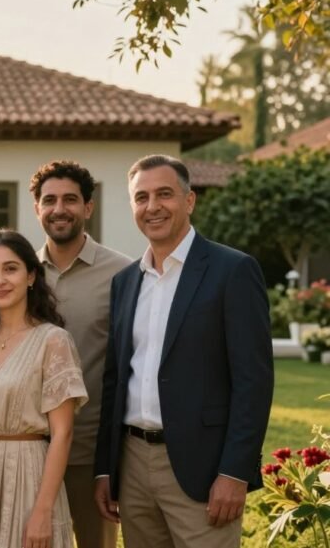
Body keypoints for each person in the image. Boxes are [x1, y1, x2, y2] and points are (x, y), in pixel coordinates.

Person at [94, 155, 274, 548]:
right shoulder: (125, 282)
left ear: (189, 200)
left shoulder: (233, 271)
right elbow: (116, 380)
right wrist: (106, 469)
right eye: (141, 197)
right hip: (133, 465)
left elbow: (253, 381)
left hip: (204, 470)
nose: (152, 206)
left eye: (164, 194)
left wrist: (235, 471)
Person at [0, 229, 87, 548]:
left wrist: (42, 510)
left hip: (28, 474)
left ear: (31, 276)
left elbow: (63, 434)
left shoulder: (53, 341)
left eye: (10, 268)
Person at [29, 160, 131, 548]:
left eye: (70, 199)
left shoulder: (123, 274)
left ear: (88, 207)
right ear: (36, 207)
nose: (59, 209)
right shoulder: (19, 273)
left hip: (92, 455)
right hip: (30, 451)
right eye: (49, 200)